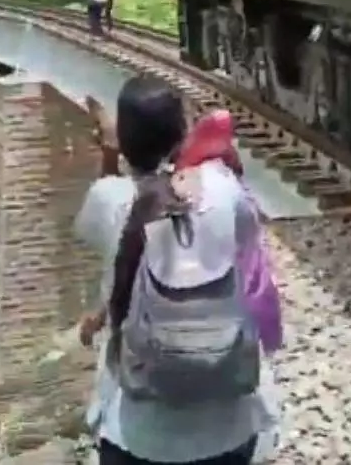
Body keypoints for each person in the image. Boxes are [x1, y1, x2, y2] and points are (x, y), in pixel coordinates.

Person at [75, 77, 280, 465]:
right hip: (229, 434)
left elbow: (100, 225)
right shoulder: (224, 190)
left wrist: (108, 153)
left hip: (137, 440)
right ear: (182, 136)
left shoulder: (109, 199)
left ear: (125, 142)